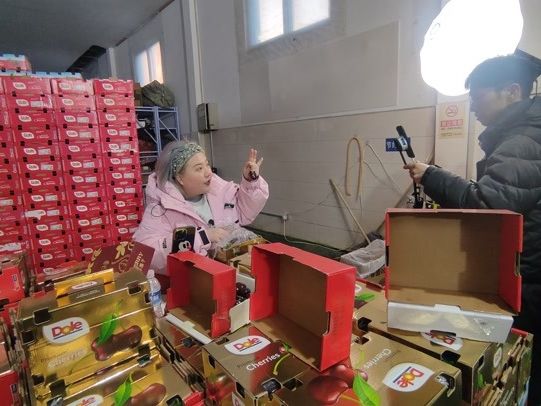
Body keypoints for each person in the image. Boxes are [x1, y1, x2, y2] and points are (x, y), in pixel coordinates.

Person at [404, 54, 541, 404]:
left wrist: (431, 175)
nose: (473, 107)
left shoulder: (523, 141)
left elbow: (488, 205)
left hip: (528, 280)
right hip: (526, 271)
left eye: (478, 96)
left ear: (512, 91)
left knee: (516, 368)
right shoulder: (523, 136)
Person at [133, 141, 269, 274]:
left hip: (234, 274)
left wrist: (251, 182)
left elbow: (244, 212)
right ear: (179, 177)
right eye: (199, 168)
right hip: (196, 281)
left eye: (207, 164)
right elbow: (145, 255)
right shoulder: (161, 210)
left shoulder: (220, 191)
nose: (208, 172)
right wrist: (200, 237)